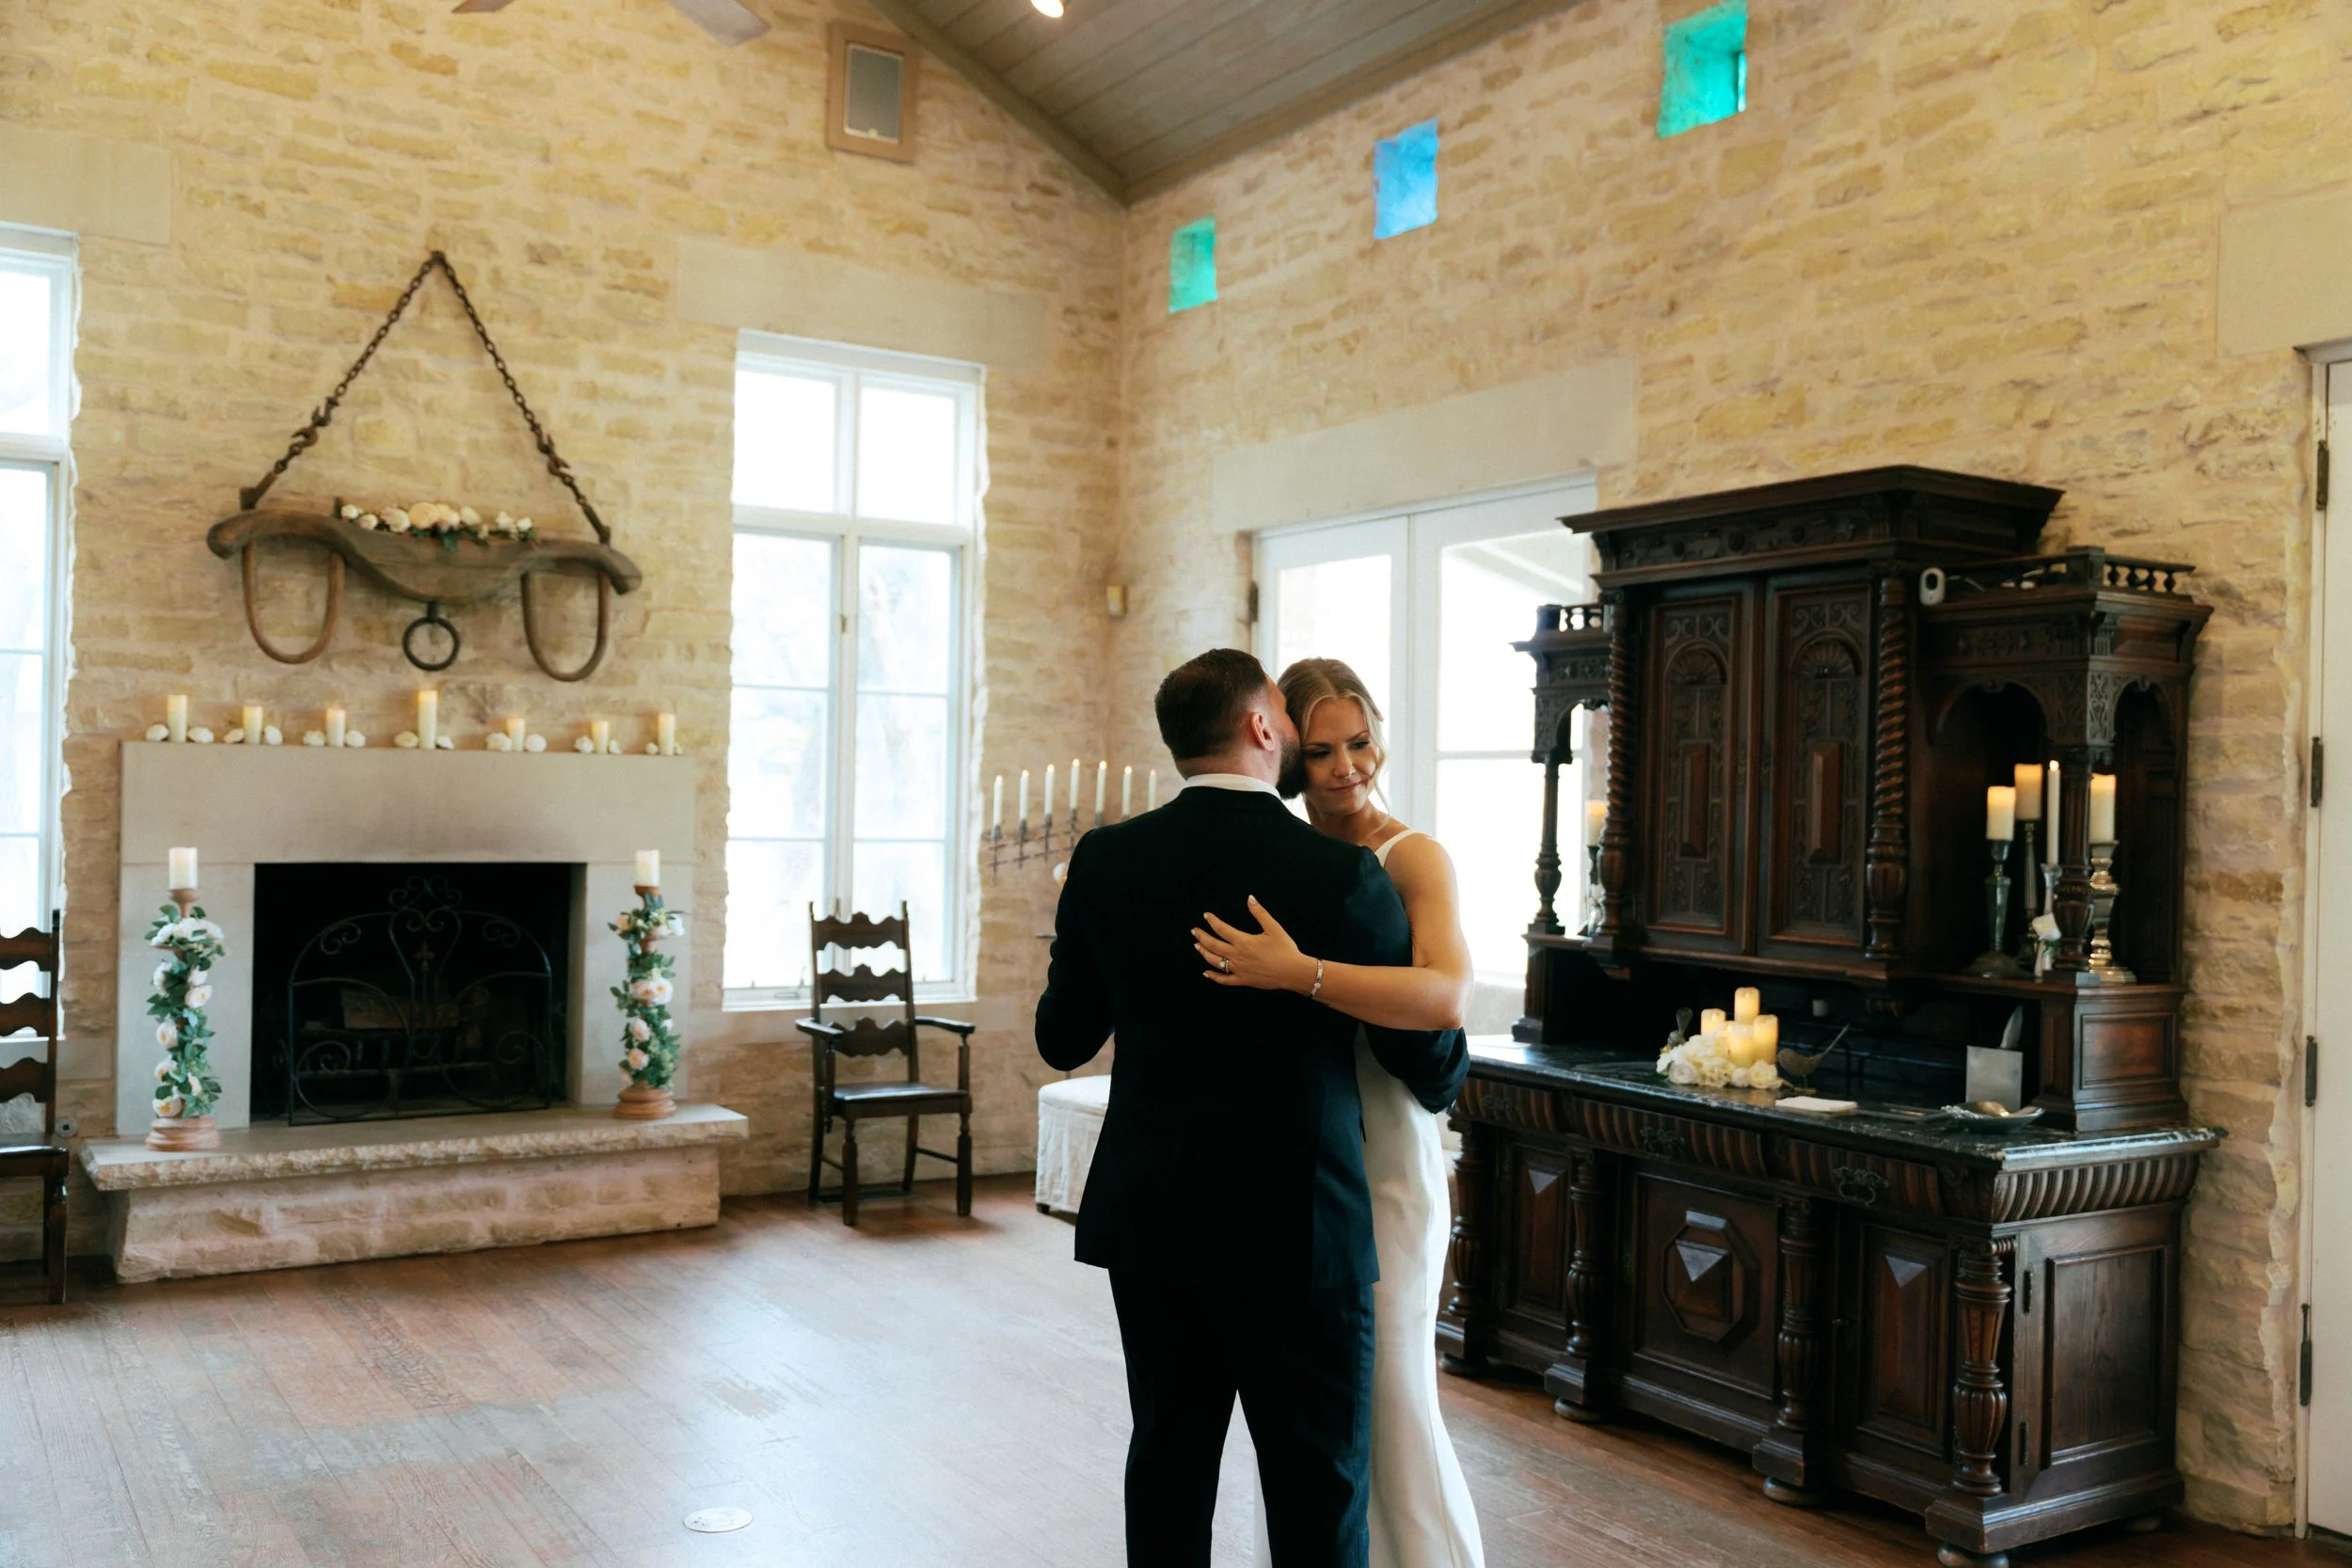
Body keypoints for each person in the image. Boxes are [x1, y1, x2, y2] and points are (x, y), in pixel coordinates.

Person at [1036, 648, 1468, 1568]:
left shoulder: (1105, 862)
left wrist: (1086, 937)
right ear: (1264, 729)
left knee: (1168, 1463)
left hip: (1153, 1221)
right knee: (1318, 1485)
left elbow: (1061, 1038)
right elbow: (1424, 1057)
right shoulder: (1337, 875)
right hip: (1300, 1226)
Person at [1190, 657, 1486, 1568]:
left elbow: (1444, 995)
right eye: (1321, 750)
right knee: (1309, 1401)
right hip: (1295, 1150)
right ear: (1281, 749)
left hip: (1389, 1149)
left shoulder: (1413, 855)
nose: (1348, 766)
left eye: (1359, 741)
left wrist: (1302, 974)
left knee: (1391, 1384)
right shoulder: (1277, 854)